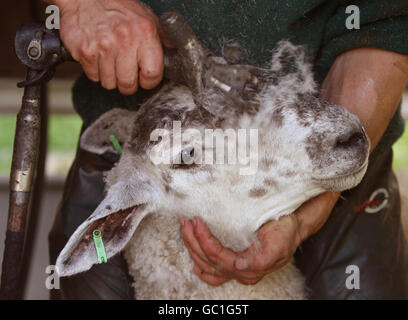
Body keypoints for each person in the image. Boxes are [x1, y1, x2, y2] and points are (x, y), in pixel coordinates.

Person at [45, 0, 408, 299]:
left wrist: (311, 211)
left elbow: (383, 26)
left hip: (324, 153)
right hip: (137, 162)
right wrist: (82, 5)